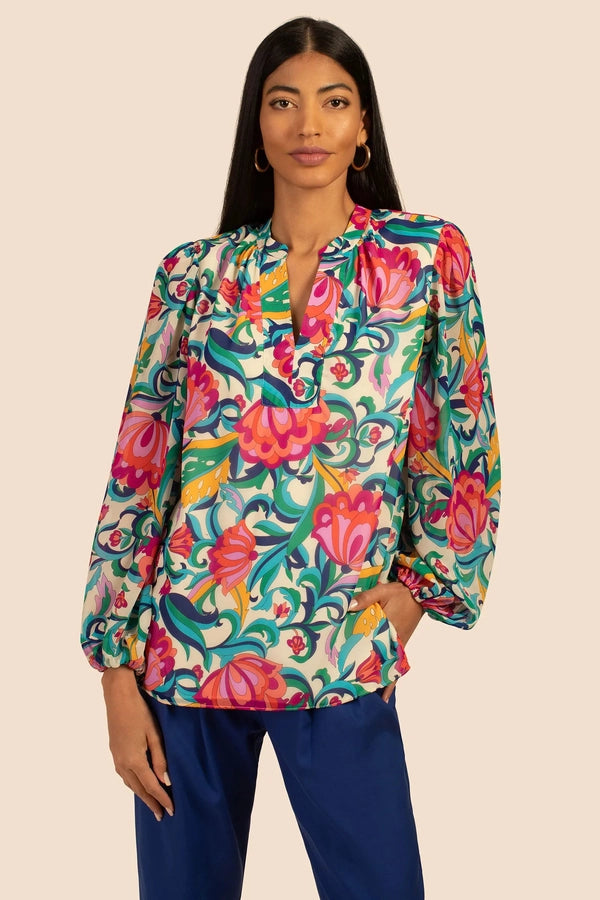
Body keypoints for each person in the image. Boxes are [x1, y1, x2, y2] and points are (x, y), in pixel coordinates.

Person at [80, 15, 501, 900]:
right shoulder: (192, 275)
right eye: (284, 103)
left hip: (341, 648)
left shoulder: (426, 259)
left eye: (333, 102)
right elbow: (138, 472)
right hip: (184, 660)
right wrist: (117, 674)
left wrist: (421, 594)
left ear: (363, 127)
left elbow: (459, 438)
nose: (309, 124)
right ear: (257, 129)